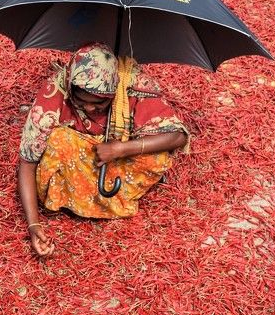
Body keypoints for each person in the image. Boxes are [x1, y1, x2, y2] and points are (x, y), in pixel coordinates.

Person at [17, 42, 189, 257]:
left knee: (157, 157)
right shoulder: (55, 91)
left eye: (99, 105)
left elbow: (178, 136)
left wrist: (122, 149)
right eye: (82, 101)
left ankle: (110, 198)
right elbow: (27, 161)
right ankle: (75, 199)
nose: (89, 109)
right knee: (59, 140)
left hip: (118, 153)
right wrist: (33, 225)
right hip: (77, 156)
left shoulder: (132, 84)